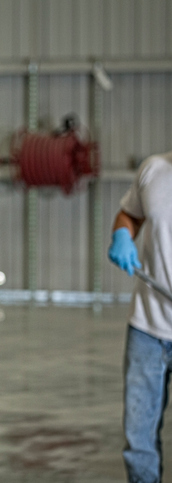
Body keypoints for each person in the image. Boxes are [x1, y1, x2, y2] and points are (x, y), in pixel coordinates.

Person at [108, 150, 172, 483]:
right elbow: (129, 215)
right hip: (147, 328)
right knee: (139, 439)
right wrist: (123, 234)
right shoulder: (154, 170)